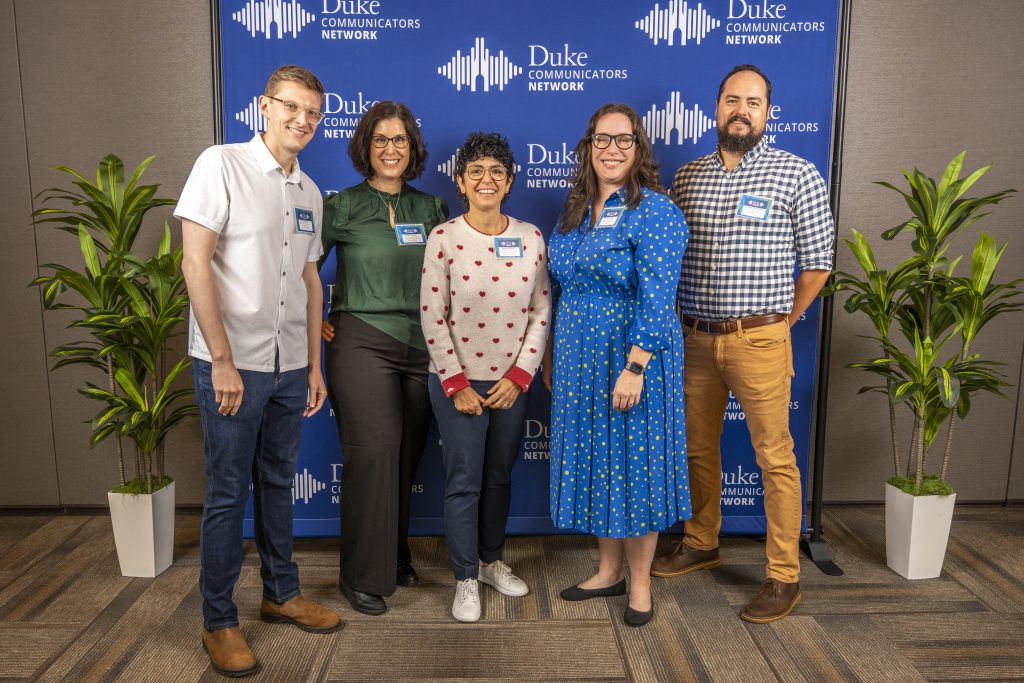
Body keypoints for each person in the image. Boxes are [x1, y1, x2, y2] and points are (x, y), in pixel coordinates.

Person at [651, 64, 834, 624]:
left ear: (767, 113)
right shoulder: (688, 179)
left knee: (774, 456)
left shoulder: (796, 174)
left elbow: (819, 263)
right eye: (733, 100)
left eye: (754, 103)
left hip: (759, 338)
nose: (742, 110)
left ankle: (783, 576)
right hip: (697, 338)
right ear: (717, 108)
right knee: (698, 448)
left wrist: (783, 319)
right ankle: (702, 541)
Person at [177, 64, 340, 677]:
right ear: (264, 106)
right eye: (291, 107)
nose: (302, 120)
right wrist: (221, 359)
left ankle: (281, 593)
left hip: (290, 363)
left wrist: (313, 363)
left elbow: (307, 280)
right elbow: (196, 263)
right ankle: (218, 621)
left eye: (313, 113)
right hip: (232, 362)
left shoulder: (310, 192)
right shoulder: (221, 164)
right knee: (227, 492)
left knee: (277, 482)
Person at [545, 104, 690, 627]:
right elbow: (560, 288)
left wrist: (636, 365)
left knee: (635, 466)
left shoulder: (654, 210)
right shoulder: (573, 212)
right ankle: (607, 572)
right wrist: (552, 356)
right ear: (587, 147)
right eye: (602, 139)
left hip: (631, 354)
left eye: (623, 140)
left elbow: (658, 298)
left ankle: (641, 584)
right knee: (596, 462)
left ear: (639, 149)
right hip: (580, 357)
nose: (611, 149)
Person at [320, 101, 449, 616]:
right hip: (362, 339)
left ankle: (393, 555)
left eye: (400, 140)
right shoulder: (343, 206)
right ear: (365, 147)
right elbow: (302, 269)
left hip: (423, 346)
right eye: (380, 140)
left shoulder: (432, 209)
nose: (390, 149)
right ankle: (360, 576)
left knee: (403, 457)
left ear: (412, 148)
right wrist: (314, 320)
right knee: (373, 452)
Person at [420, 132, 550, 623]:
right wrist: (455, 383)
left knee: (499, 476)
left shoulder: (532, 237)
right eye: (476, 171)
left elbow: (541, 309)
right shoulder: (444, 238)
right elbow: (432, 314)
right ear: (461, 181)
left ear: (510, 180)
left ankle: (492, 561)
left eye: (497, 171)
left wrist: (520, 375)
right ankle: (465, 578)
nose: (486, 179)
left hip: (510, 384)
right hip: (457, 383)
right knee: (463, 482)